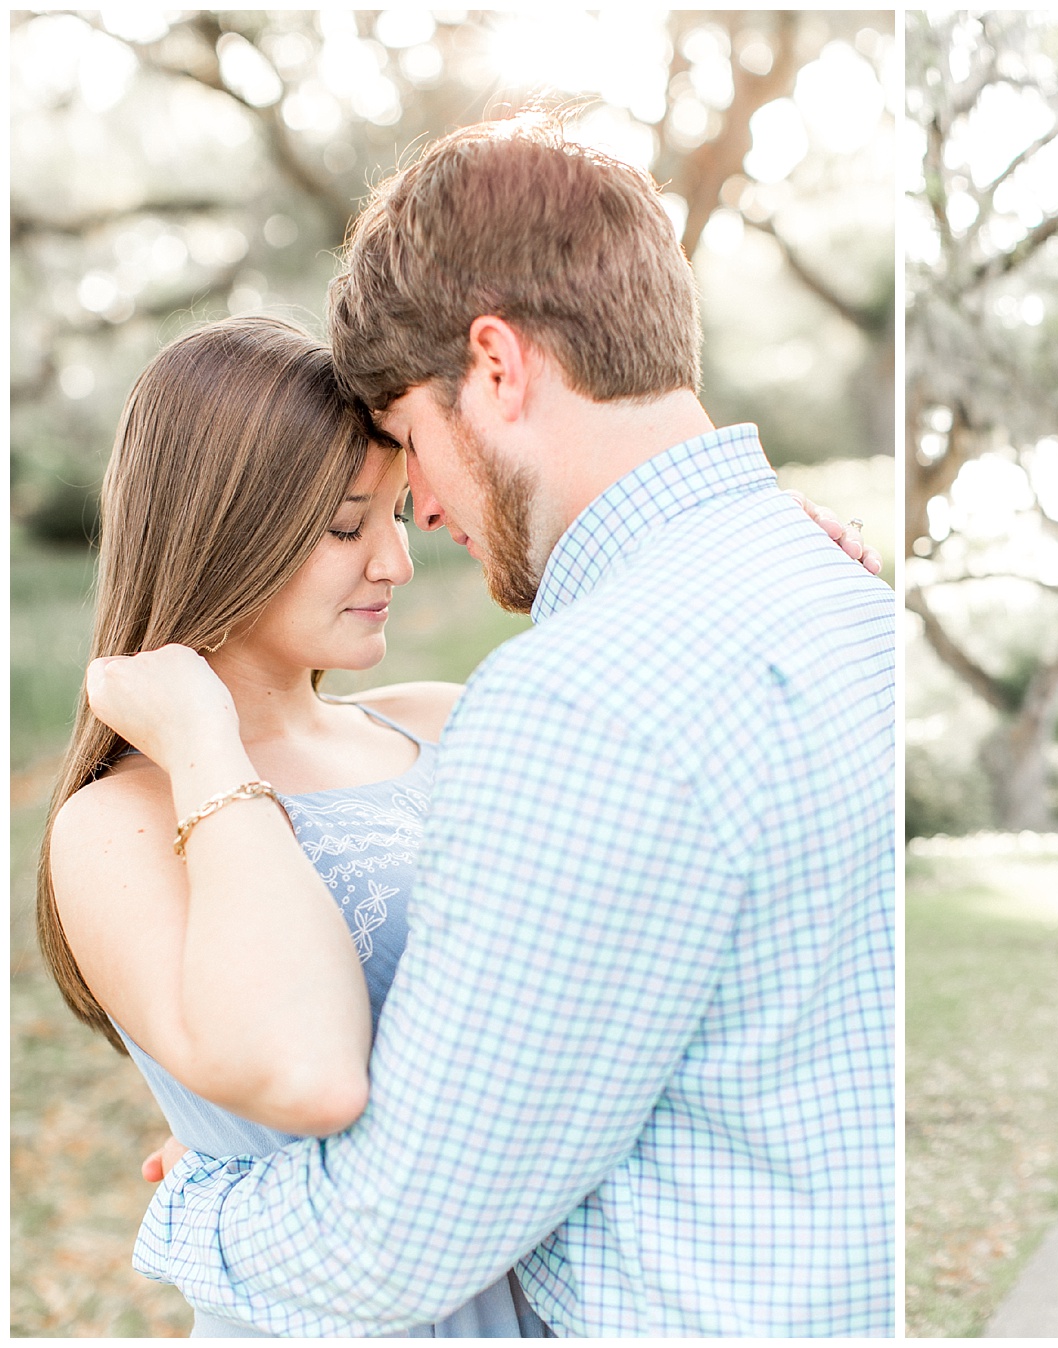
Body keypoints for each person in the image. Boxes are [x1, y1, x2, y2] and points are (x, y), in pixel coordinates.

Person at [119, 117, 895, 1338]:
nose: (421, 510)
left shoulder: (579, 697)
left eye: (413, 445)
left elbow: (394, 1244)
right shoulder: (846, 597)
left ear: (497, 363)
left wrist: (194, 1210)